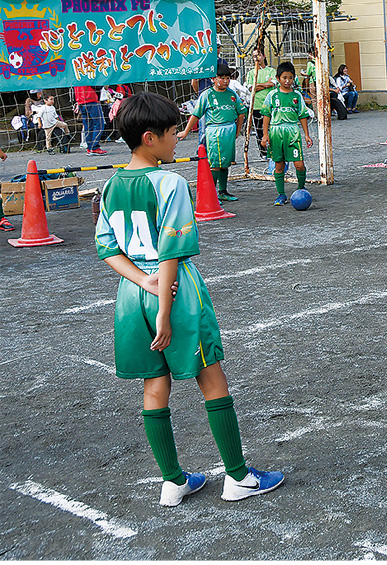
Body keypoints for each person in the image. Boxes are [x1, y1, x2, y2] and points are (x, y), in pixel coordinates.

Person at [94, 92, 284, 505]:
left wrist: (144, 284)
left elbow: (107, 248)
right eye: (171, 132)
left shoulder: (109, 185)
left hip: (132, 295)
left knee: (154, 383)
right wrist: (164, 306)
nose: (178, 137)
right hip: (176, 293)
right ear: (149, 137)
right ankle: (238, 478)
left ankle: (172, 481)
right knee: (211, 377)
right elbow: (171, 251)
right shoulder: (170, 183)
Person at [177, 61, 246, 204]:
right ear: (213, 79)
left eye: (228, 78)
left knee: (225, 163)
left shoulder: (232, 95)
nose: (225, 81)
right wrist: (185, 131)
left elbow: (241, 113)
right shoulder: (207, 95)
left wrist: (238, 130)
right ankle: (212, 194)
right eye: (222, 78)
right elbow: (196, 114)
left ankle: (223, 192)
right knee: (215, 163)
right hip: (215, 131)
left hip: (229, 130)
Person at [260, 62, 313, 206]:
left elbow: (302, 115)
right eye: (284, 78)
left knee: (299, 164)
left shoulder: (297, 96)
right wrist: (265, 135)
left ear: (294, 78)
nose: (287, 81)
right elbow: (266, 115)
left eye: (290, 78)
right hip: (276, 131)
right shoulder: (272, 95)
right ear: (278, 78)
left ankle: (301, 189)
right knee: (279, 165)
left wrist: (306, 135)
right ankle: (281, 195)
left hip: (292, 132)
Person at [246, 49, 275, 158]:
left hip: (270, 106)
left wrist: (258, 85)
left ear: (263, 56)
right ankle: (263, 153)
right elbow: (250, 88)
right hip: (256, 106)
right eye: (254, 56)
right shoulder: (250, 73)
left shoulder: (271, 71)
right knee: (259, 131)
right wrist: (265, 84)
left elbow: (273, 84)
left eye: (258, 55)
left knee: (271, 130)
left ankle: (273, 151)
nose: (256, 58)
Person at [74, 84, 106, 156]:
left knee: (88, 125)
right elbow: (97, 85)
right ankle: (94, 147)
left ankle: (89, 147)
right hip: (91, 98)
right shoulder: (89, 73)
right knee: (99, 124)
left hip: (80, 100)